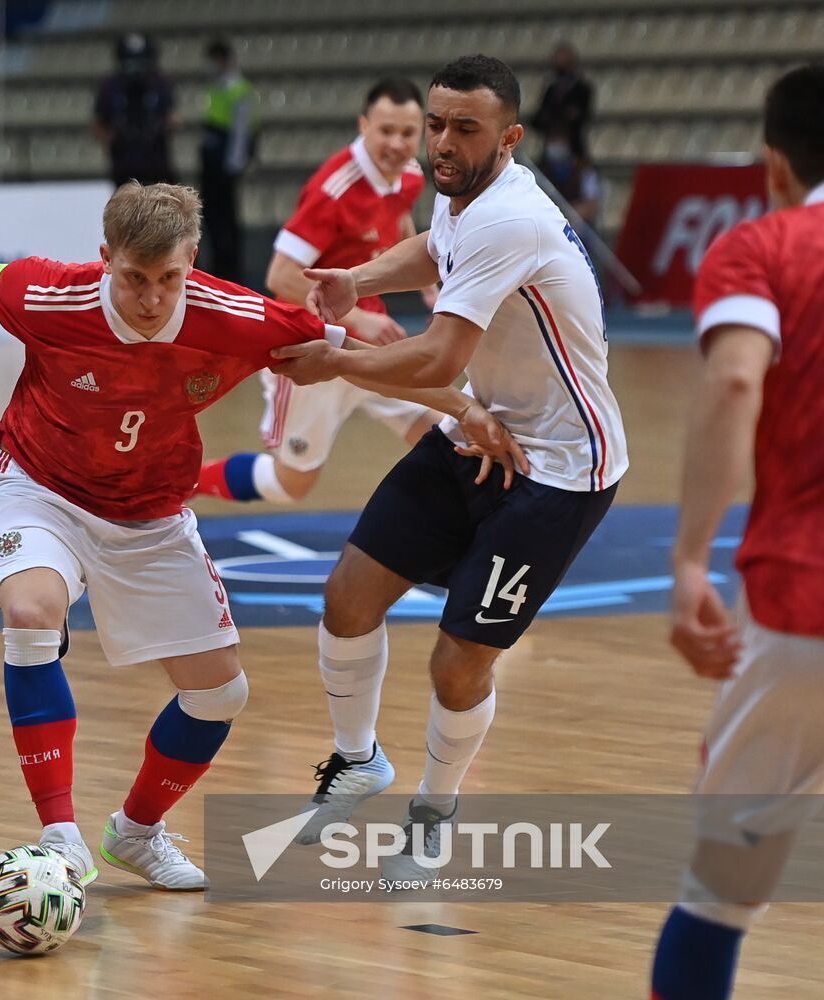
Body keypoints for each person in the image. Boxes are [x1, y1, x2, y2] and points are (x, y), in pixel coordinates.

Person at [0, 182, 521, 891]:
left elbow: (352, 358)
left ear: (192, 261)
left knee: (219, 693)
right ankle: (59, 836)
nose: (151, 298)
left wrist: (462, 409)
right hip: (41, 488)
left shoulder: (237, 317)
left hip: (149, 513)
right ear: (105, 260)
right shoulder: (49, 293)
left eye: (168, 279)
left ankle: (136, 833)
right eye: (133, 279)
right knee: (31, 615)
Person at [269, 55, 628, 878]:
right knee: (347, 596)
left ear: (509, 137)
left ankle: (434, 811)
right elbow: (435, 250)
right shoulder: (461, 191)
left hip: (558, 473)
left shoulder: (510, 219)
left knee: (457, 661)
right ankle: (357, 762)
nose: (440, 142)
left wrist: (335, 359)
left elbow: (435, 358)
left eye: (464, 128)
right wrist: (354, 278)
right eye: (435, 124)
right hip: (481, 434)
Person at [650, 62, 824, 1000]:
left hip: (815, 604)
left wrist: (690, 559)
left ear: (773, 163)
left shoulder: (761, 246)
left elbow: (735, 380)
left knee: (720, 892)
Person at [197, 79, 442, 505]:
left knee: (440, 432)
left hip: (369, 346)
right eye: (386, 130)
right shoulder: (334, 191)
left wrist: (428, 286)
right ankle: (185, 482)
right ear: (364, 126)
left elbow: (401, 220)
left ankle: (452, 530)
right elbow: (280, 275)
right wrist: (359, 317)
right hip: (312, 348)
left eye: (407, 133)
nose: (397, 144)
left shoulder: (409, 176)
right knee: (293, 484)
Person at [198, 38, 257, 284]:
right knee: (211, 217)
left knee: (227, 220)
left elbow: (241, 132)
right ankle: (218, 267)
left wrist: (233, 165)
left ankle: (231, 271)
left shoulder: (238, 90)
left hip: (225, 165)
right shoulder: (217, 87)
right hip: (212, 163)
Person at [93, 33, 177, 186]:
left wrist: (157, 129)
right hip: (124, 165)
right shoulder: (109, 85)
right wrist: (116, 136)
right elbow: (97, 123)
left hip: (156, 163)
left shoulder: (159, 82)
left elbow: (173, 118)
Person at [530, 41, 593, 163]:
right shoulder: (551, 89)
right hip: (550, 143)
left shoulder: (581, 88)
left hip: (572, 147)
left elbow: (582, 116)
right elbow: (538, 118)